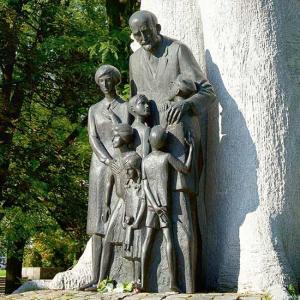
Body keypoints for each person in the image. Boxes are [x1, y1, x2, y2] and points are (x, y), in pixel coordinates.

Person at [129, 10, 215, 292]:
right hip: (150, 153)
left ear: (158, 27)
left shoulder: (178, 51)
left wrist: (186, 105)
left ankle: (188, 283)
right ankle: (153, 280)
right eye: (136, 34)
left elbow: (207, 92)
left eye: (146, 32)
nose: (142, 39)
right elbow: (134, 103)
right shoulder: (133, 60)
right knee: (152, 219)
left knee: (182, 214)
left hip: (179, 144)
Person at [85, 65, 129, 288]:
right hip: (100, 167)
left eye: (108, 80)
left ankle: (112, 274)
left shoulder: (125, 106)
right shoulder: (93, 109)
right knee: (97, 224)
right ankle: (95, 277)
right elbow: (93, 138)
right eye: (101, 81)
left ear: (115, 81)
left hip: (120, 165)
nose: (105, 84)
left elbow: (128, 133)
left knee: (114, 221)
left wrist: (117, 161)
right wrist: (106, 160)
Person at [141, 125, 194, 292]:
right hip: (163, 207)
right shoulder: (167, 157)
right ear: (165, 142)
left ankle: (143, 281)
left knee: (147, 241)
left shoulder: (145, 160)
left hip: (153, 206)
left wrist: (154, 205)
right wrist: (191, 149)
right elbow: (185, 168)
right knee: (169, 240)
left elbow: (145, 186)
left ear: (150, 141)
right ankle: (172, 283)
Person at [98, 124, 145, 285]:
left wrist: (121, 173)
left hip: (131, 203)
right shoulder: (115, 159)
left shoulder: (134, 158)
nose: (112, 139)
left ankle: (136, 280)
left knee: (132, 242)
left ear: (125, 138)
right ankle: (101, 280)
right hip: (118, 205)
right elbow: (109, 183)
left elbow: (136, 182)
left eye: (116, 136)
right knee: (107, 239)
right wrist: (106, 204)